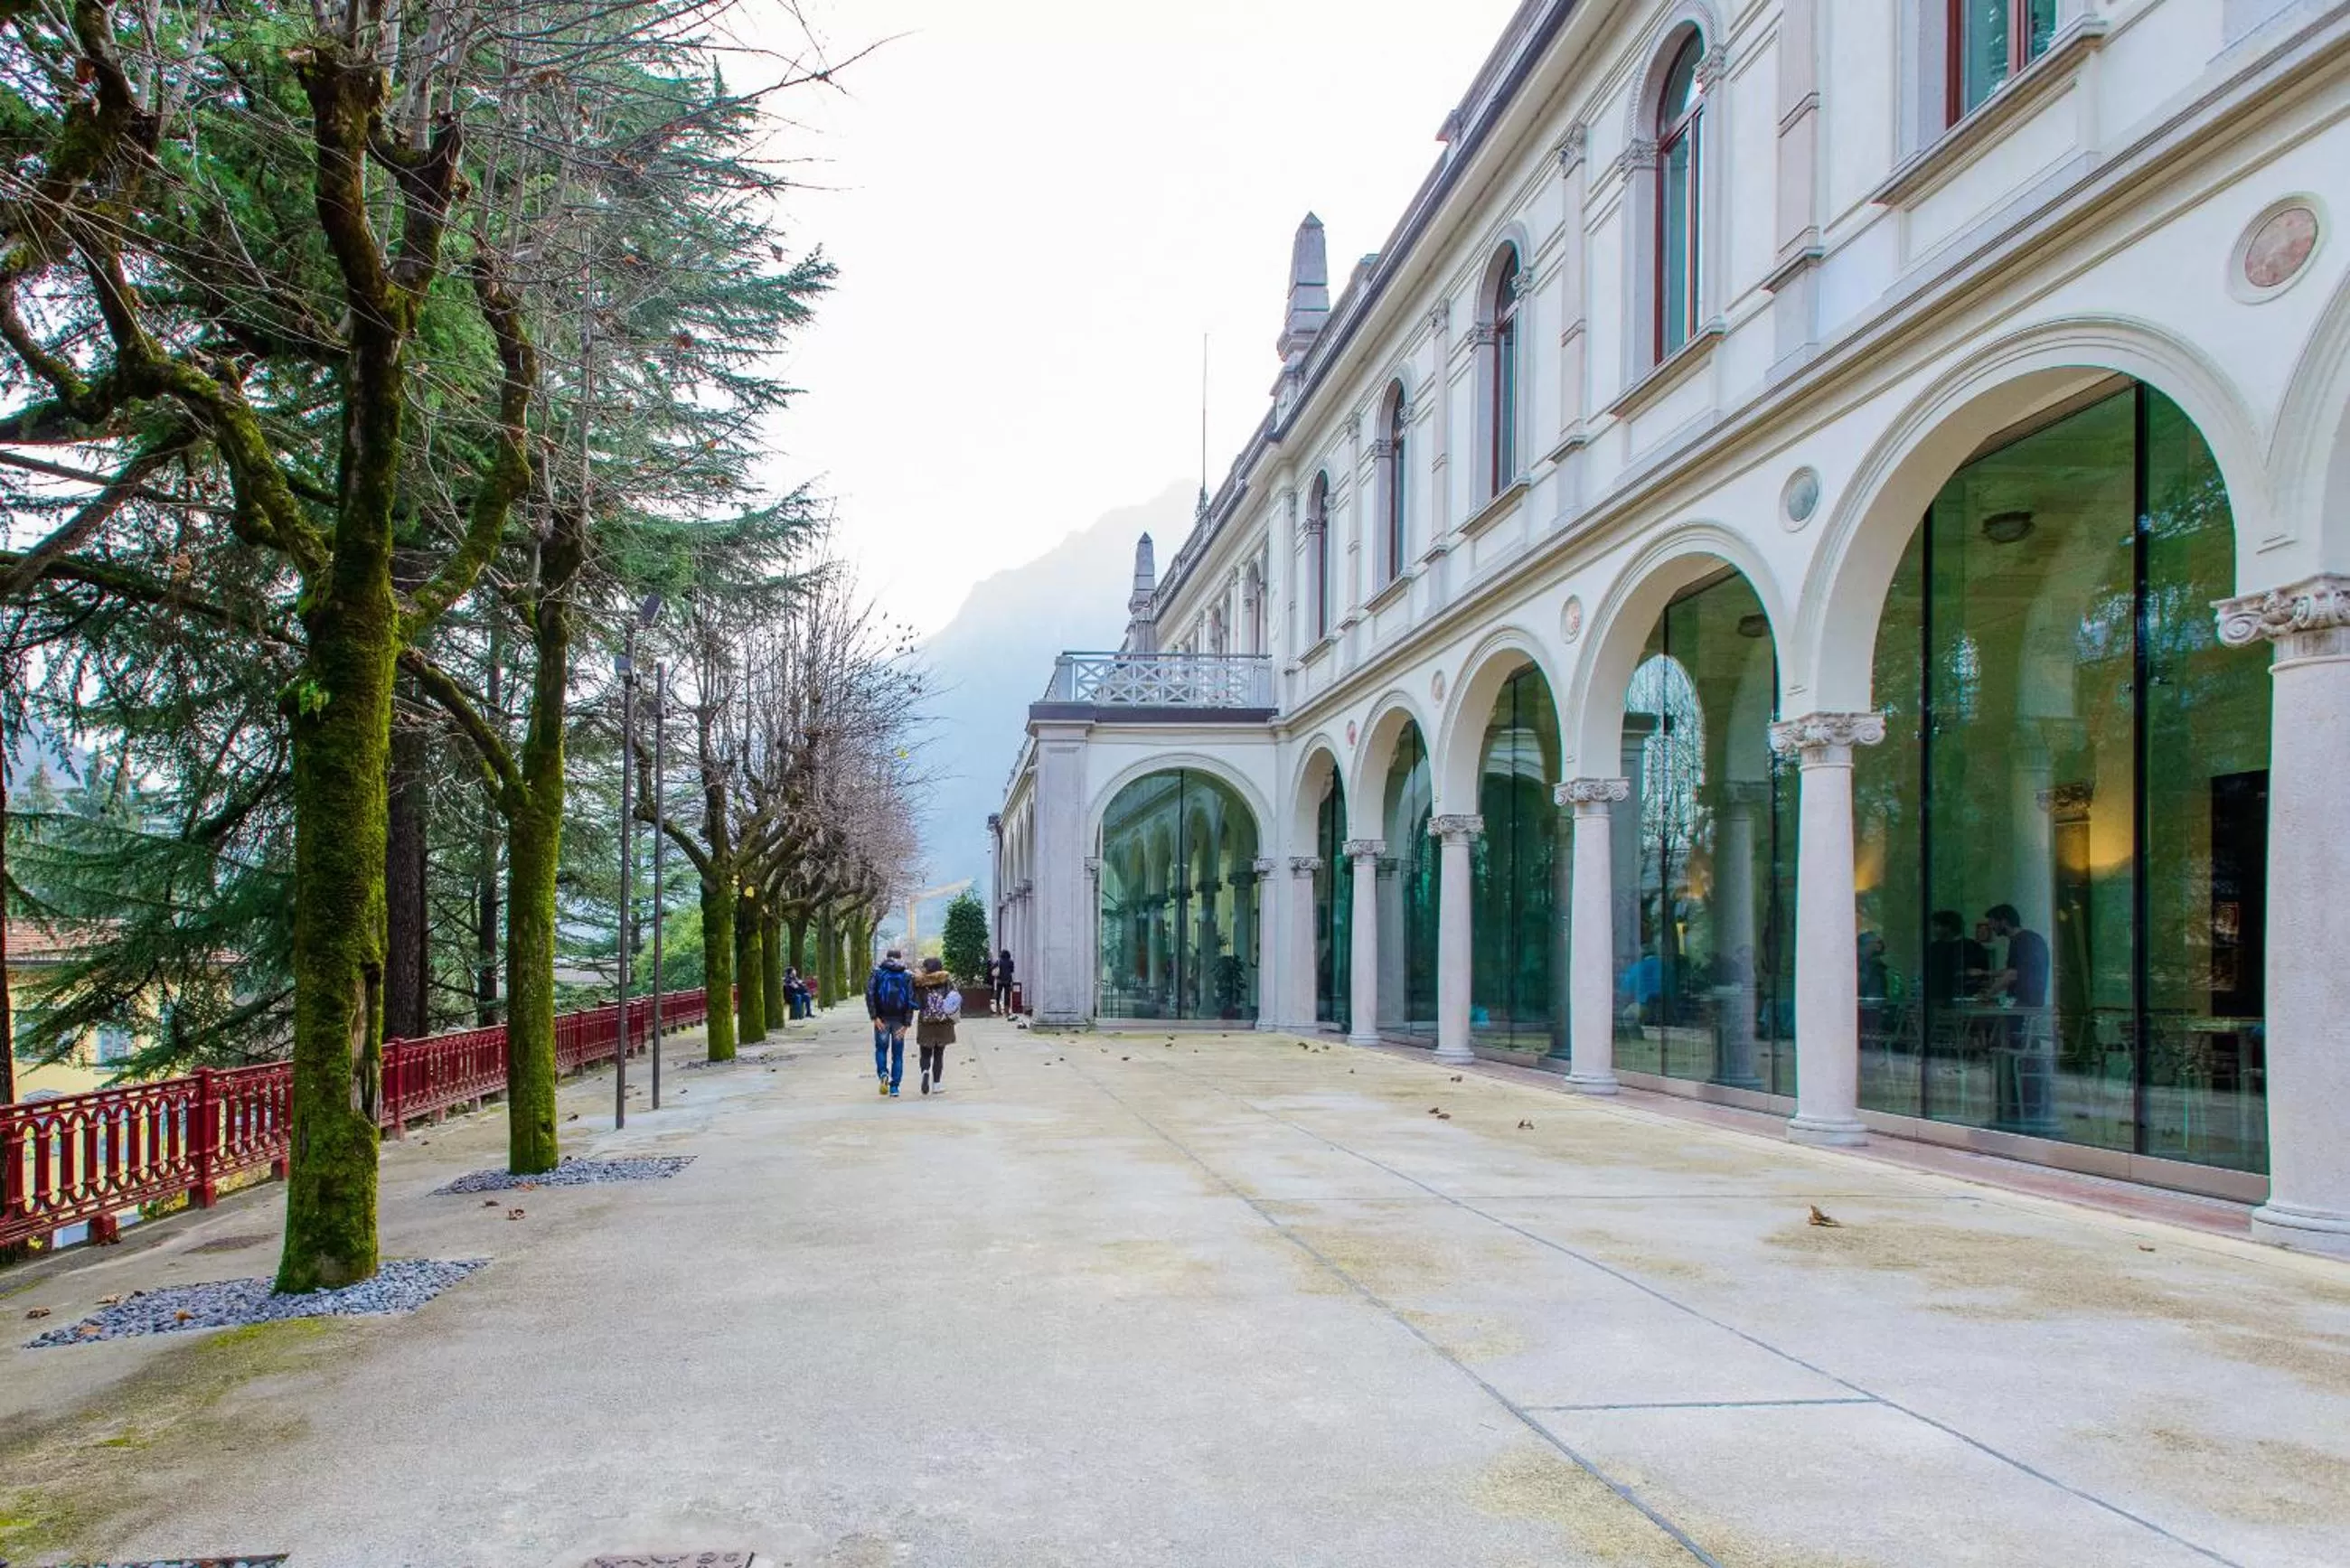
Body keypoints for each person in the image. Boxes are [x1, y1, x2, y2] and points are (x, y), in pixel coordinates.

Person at [866, 948, 917, 1097]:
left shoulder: (877, 972)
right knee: (898, 1054)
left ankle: (883, 1073)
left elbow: (870, 994)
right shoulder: (907, 975)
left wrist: (874, 1017)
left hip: (882, 1018)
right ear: (900, 958)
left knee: (881, 1049)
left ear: (886, 957)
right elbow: (911, 999)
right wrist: (907, 1024)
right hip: (899, 1020)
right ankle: (895, 1087)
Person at [1981, 904, 2049, 1008]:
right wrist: (1985, 973)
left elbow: (2012, 974)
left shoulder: (2023, 940)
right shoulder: (2027, 938)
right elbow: (2015, 970)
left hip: (2024, 1003)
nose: (1990, 927)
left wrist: (1989, 993)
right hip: (2024, 1001)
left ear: (2004, 922)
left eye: (1992, 922)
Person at [913, 956, 962, 1095]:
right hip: (943, 1022)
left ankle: (925, 1071)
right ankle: (937, 1084)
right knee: (939, 1054)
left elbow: (916, 1003)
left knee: (925, 1053)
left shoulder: (920, 982)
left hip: (926, 1022)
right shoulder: (947, 980)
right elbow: (955, 999)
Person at [1923, 911, 1989, 1004]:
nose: (1934, 929)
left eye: (1936, 925)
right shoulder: (1933, 948)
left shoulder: (1974, 947)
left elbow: (1984, 977)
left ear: (1948, 927)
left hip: (1967, 1001)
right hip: (1937, 1001)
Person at [994, 947, 1016, 1016]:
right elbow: (1012, 971)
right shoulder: (1011, 962)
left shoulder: (998, 961)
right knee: (1007, 996)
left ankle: (998, 1010)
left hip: (999, 980)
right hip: (1008, 980)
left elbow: (993, 968)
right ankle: (1006, 1011)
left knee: (998, 995)